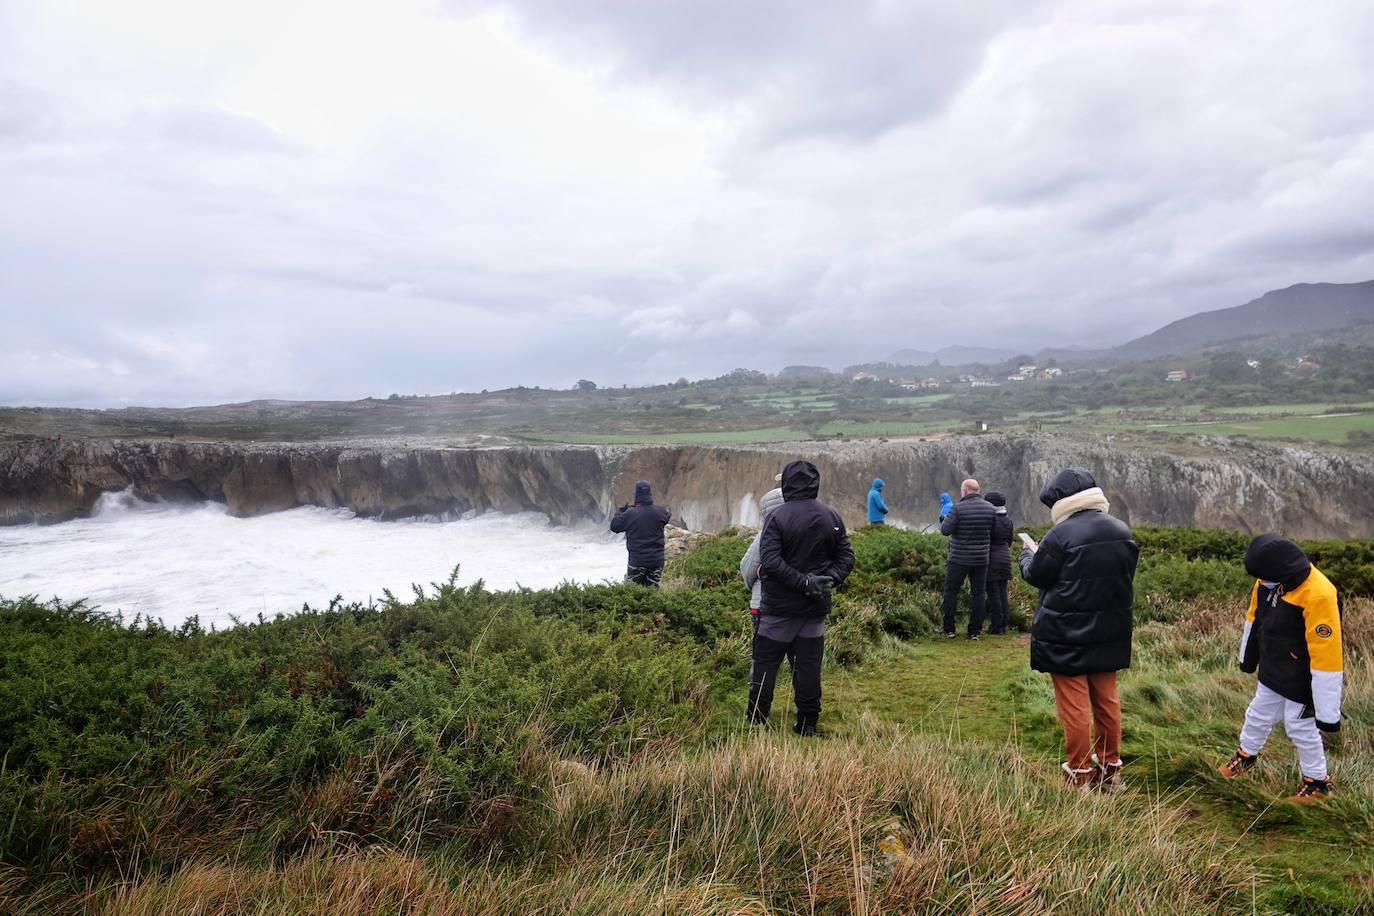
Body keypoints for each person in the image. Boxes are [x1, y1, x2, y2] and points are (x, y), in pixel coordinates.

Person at [1019, 468, 1138, 790]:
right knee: (1107, 702)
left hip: (1067, 632)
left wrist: (1027, 556)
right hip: (1110, 630)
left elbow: (1038, 576)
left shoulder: (1061, 535)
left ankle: (1080, 774)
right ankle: (1111, 770)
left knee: (1074, 707)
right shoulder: (1122, 530)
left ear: (1062, 502)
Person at [1218, 534, 1342, 803]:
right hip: (1273, 667)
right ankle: (1245, 758)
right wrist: (1248, 660)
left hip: (1302, 677)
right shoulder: (1267, 578)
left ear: (1281, 571)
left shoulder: (1319, 594)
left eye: (1263, 577)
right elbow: (1255, 619)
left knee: (1300, 728)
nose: (1260, 582)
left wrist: (1327, 712)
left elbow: (1328, 655)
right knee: (1257, 714)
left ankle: (1317, 784)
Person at [748, 459, 855, 736]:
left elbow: (770, 561)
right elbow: (846, 557)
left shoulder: (776, 517)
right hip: (814, 609)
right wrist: (824, 581)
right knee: (808, 669)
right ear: (815, 483)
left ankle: (756, 720)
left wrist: (803, 582)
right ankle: (807, 724)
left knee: (765, 665)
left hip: (778, 609)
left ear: (786, 485)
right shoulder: (831, 516)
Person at [939, 478, 996, 639]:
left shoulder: (957, 508)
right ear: (978, 490)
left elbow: (945, 530)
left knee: (951, 592)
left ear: (964, 491)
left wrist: (945, 520)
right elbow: (994, 530)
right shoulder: (990, 509)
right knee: (978, 594)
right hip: (981, 559)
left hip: (959, 558)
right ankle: (975, 631)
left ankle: (949, 629)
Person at [609, 480, 672, 587]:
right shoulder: (660, 512)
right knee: (653, 592)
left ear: (636, 494)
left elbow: (614, 527)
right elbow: (666, 516)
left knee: (633, 594)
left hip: (637, 561)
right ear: (649, 494)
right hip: (656, 561)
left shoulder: (630, 514)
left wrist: (620, 512)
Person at [740, 487, 786, 631]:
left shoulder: (765, 533)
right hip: (798, 607)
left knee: (765, 651)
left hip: (763, 604)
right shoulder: (803, 531)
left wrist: (752, 587)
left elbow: (747, 568)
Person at [984, 491, 1014, 634]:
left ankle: (997, 627)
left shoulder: (991, 520)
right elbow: (1009, 541)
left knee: (993, 594)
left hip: (992, 559)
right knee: (1002, 593)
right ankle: (1003, 625)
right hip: (1005, 558)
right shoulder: (1008, 520)